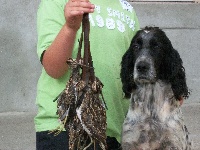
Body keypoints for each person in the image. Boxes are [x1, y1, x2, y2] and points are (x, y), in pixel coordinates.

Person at [34, 0, 140, 149]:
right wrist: (70, 27)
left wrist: (171, 89)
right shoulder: (57, 2)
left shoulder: (126, 8)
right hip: (65, 129)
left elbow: (137, 72)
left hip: (113, 132)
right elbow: (53, 68)